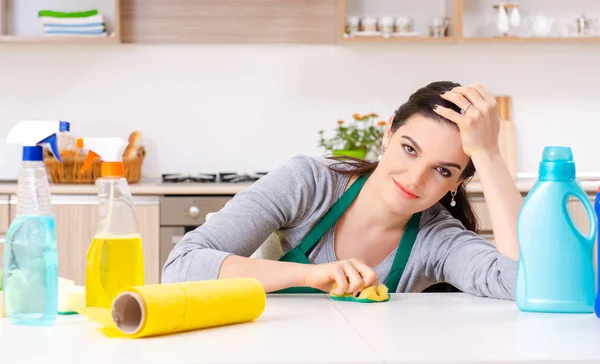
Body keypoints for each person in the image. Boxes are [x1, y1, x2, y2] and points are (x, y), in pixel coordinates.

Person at [162, 81, 523, 300]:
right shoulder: (310, 183)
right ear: (387, 134)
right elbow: (180, 267)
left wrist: (490, 154)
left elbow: (523, 284)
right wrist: (307, 275)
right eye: (409, 149)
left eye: (442, 170)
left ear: (457, 184)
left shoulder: (437, 240)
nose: (414, 178)